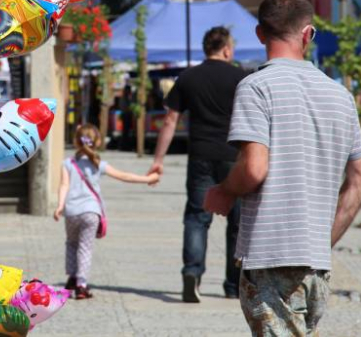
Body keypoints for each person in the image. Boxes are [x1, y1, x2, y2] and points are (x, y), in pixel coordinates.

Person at [204, 0, 361, 336]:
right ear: (308, 34)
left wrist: (224, 191)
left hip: (271, 255)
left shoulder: (256, 87)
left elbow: (254, 168)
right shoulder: (340, 95)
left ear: (259, 34)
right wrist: (321, 241)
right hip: (316, 265)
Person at [148, 26, 249, 302]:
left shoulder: (188, 77)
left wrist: (158, 160)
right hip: (235, 157)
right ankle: (234, 284)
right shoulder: (242, 79)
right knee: (238, 222)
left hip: (201, 156)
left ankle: (192, 273)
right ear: (227, 49)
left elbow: (170, 121)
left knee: (196, 217)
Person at [54, 123, 159, 300]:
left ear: (76, 141)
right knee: (85, 248)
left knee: (71, 243)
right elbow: (124, 176)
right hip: (91, 213)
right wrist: (147, 179)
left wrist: (59, 206)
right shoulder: (98, 164)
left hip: (71, 212)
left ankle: (72, 277)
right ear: (98, 142)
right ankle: (81, 284)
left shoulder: (68, 163)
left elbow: (64, 185)